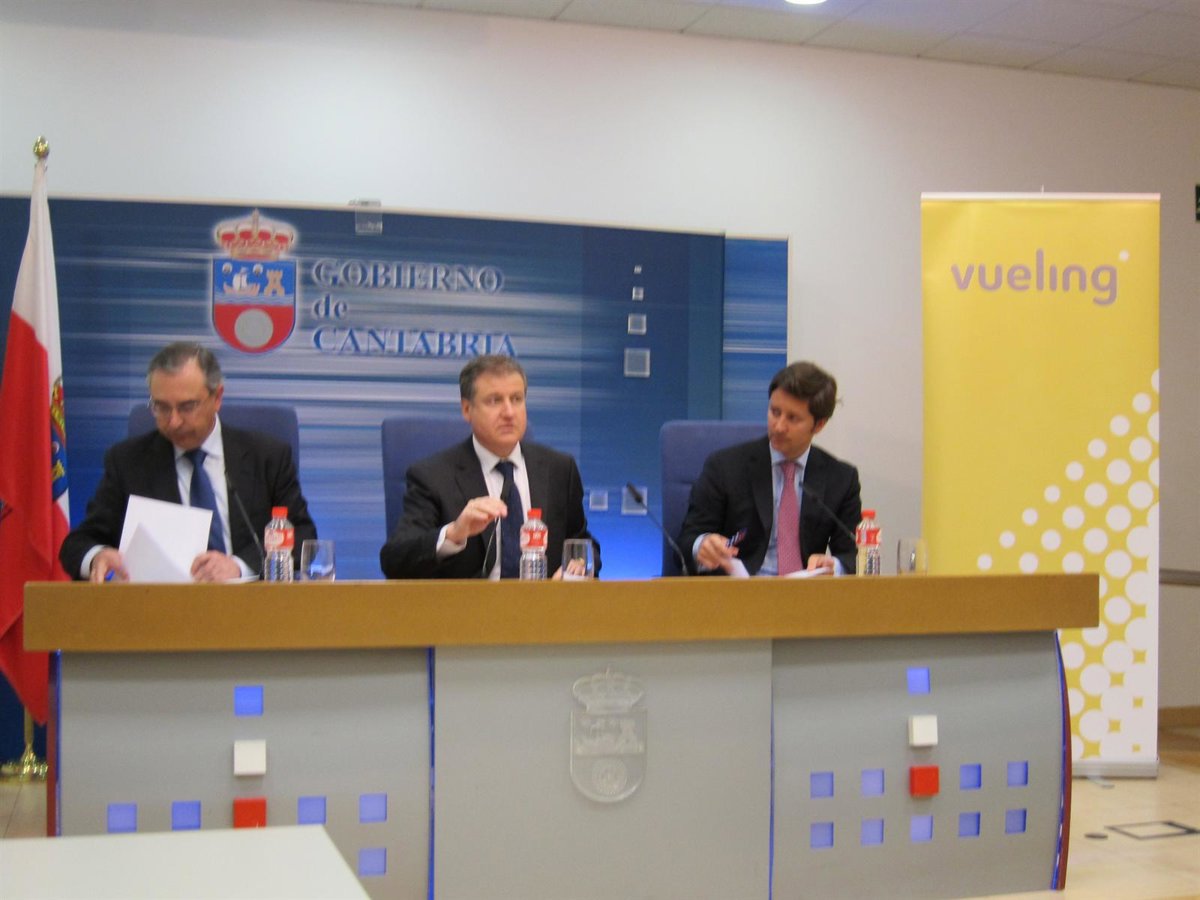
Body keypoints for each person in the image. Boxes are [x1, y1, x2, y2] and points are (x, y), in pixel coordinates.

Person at [59, 342, 316, 582]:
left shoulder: (266, 456)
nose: (173, 422)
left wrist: (239, 566)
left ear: (217, 397)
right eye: (161, 407)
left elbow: (303, 535)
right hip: (162, 608)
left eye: (187, 407)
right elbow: (78, 544)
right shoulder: (128, 462)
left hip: (251, 605)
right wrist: (97, 556)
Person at [380, 354, 600, 579]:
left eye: (516, 399)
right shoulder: (432, 476)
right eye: (495, 401)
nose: (509, 413)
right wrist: (454, 533)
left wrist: (578, 563)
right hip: (469, 601)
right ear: (467, 409)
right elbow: (395, 559)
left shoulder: (559, 469)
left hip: (544, 600)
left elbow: (582, 542)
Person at [678, 361, 861, 576]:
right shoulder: (725, 466)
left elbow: (853, 554)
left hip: (806, 592)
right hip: (740, 590)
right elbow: (686, 541)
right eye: (775, 412)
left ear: (819, 425)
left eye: (793, 418)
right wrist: (702, 546)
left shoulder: (841, 479)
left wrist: (834, 566)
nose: (779, 426)